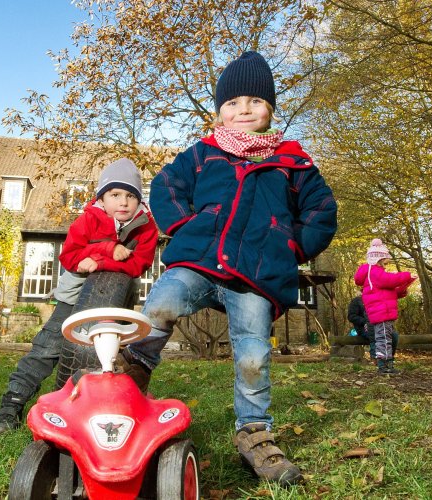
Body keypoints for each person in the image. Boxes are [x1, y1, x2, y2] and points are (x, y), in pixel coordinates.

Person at [120, 52, 337, 486]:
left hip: (255, 277)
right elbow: (166, 186)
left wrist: (290, 246)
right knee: (161, 303)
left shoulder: (293, 161)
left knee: (254, 355)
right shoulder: (204, 153)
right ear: (220, 110)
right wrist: (185, 224)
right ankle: (128, 379)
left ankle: (254, 433)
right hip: (198, 261)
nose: (243, 110)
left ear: (270, 110)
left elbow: (322, 211)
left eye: (254, 102)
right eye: (232, 102)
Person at [0, 158, 158, 433]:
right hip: (73, 295)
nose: (123, 202)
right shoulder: (89, 218)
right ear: (102, 197)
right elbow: (69, 256)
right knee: (48, 348)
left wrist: (100, 260)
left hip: (115, 298)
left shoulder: (145, 226)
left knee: (106, 356)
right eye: (115, 195)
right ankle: (12, 404)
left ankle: (94, 409)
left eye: (131, 195)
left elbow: (139, 263)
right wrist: (107, 248)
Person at [353, 239, 415, 375]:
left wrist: (404, 287)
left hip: (381, 312)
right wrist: (406, 275)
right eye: (384, 261)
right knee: (384, 339)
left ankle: (387, 364)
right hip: (382, 313)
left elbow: (389, 292)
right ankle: (384, 366)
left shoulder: (373, 277)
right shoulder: (375, 272)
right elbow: (390, 280)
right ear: (379, 259)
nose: (385, 265)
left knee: (386, 338)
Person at [348, 294, 398, 362]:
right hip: (363, 328)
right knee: (375, 334)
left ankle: (389, 358)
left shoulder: (376, 299)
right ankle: (375, 358)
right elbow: (351, 316)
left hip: (378, 325)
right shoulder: (356, 301)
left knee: (394, 335)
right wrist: (364, 322)